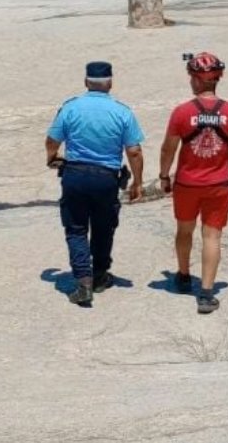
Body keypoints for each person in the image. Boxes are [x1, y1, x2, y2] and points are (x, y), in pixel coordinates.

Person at [46, 61, 145, 306]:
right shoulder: (122, 112)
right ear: (110, 83)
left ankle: (83, 282)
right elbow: (134, 151)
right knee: (104, 228)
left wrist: (51, 157)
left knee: (76, 228)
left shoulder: (70, 107)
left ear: (85, 82)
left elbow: (51, 139)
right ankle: (100, 275)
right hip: (106, 178)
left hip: (75, 176)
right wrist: (138, 183)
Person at [158, 52, 228, 315]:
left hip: (187, 184)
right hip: (219, 183)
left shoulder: (182, 113)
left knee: (184, 230)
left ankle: (184, 275)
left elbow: (168, 149)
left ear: (196, 80)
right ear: (217, 79)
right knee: (212, 235)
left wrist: (164, 175)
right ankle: (207, 293)